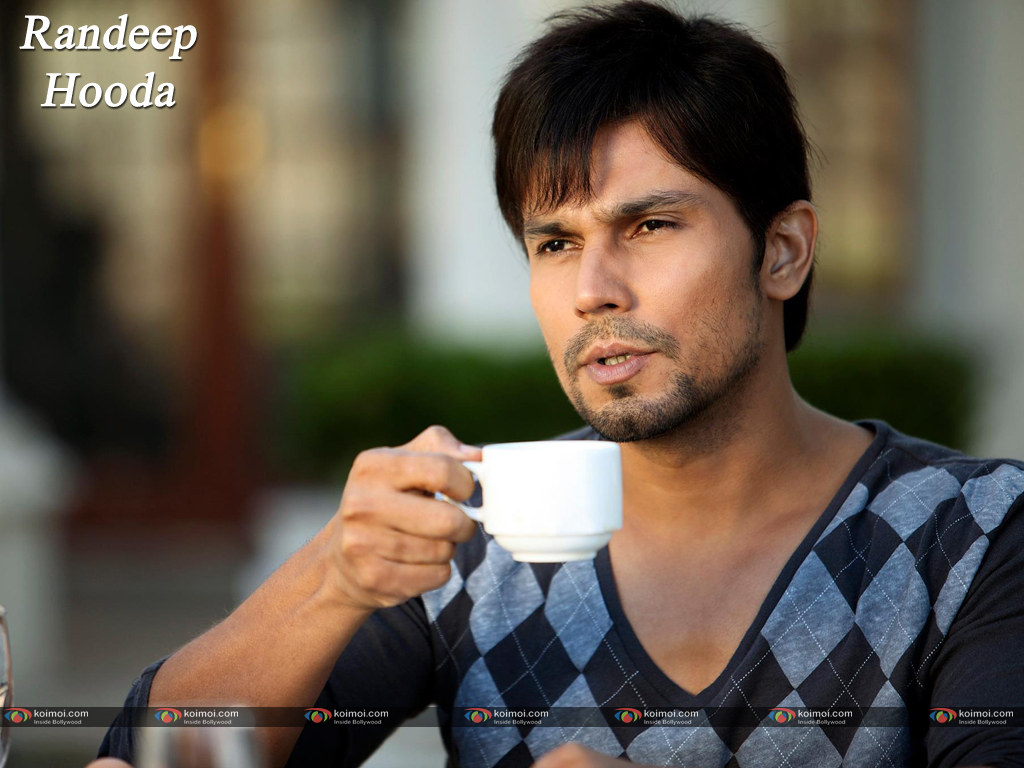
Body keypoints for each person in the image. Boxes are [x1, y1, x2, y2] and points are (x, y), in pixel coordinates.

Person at [98, 2, 1024, 767]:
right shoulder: (474, 544)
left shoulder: (972, 536)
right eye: (555, 243)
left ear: (782, 251)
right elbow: (153, 756)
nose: (592, 290)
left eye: (650, 227)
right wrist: (331, 578)